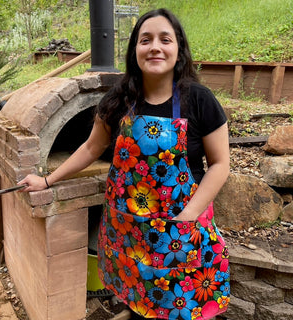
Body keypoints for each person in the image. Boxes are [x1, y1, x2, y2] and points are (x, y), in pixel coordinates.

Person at [19, 8, 230, 320]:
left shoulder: (199, 99)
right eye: (145, 40)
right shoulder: (118, 99)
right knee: (138, 295)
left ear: (178, 49)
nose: (155, 46)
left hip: (182, 227)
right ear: (135, 50)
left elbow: (220, 163)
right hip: (129, 230)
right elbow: (91, 147)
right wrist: (47, 180)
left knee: (186, 304)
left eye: (165, 39)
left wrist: (189, 215)